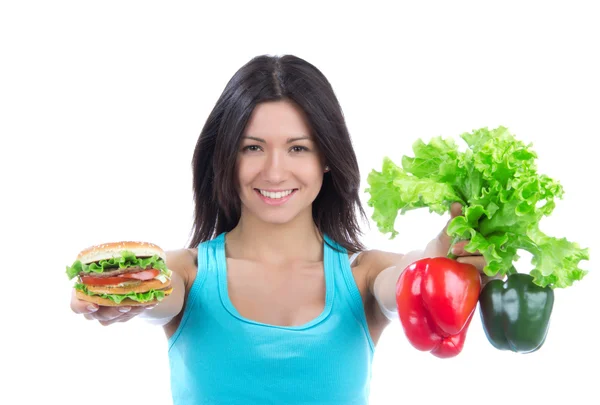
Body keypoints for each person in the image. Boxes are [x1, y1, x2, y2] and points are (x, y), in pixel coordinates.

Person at [70, 54, 487, 404]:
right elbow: (160, 293)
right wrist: (129, 294)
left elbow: (413, 277)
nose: (274, 171)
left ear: (326, 157)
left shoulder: (365, 277)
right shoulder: (188, 273)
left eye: (298, 148)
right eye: (252, 147)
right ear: (225, 158)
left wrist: (448, 246)